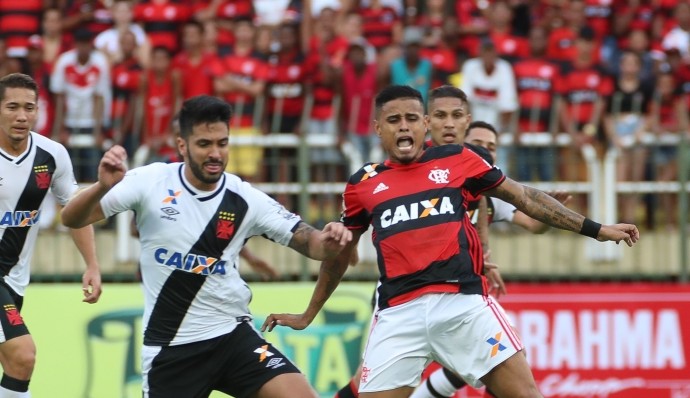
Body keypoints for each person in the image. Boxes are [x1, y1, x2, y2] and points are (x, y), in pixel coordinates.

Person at [262, 85, 639, 398]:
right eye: (394, 120)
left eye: (412, 118)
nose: (404, 127)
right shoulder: (362, 184)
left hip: (463, 304)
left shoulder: (460, 159)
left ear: (425, 124)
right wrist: (309, 313)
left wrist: (598, 228)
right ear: (378, 128)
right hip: (398, 313)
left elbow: (524, 198)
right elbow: (340, 255)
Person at [60, 95, 352, 398]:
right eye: (204, 144)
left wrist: (329, 237)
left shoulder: (244, 198)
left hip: (232, 337)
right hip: (172, 349)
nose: (215, 154)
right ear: (182, 145)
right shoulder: (150, 181)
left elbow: (313, 245)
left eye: (222, 143)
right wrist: (102, 187)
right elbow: (72, 217)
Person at [0, 73, 102, 398]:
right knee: (22, 356)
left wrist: (92, 264)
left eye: (29, 108)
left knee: (15, 366)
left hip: (14, 279)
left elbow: (74, 209)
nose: (22, 116)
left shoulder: (52, 155)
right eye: (12, 107)